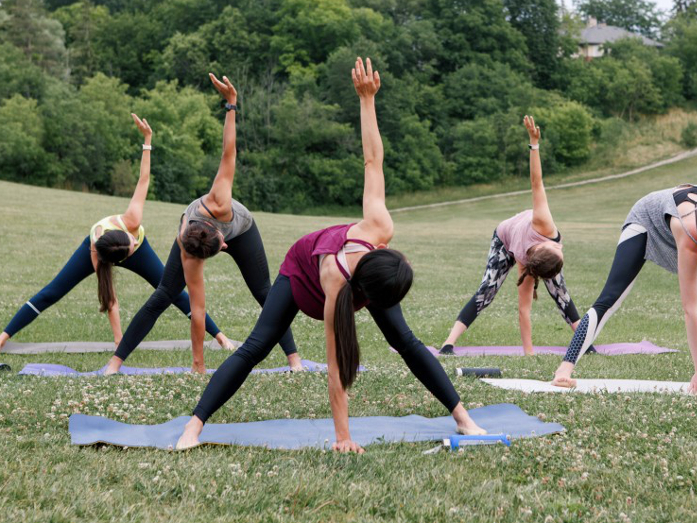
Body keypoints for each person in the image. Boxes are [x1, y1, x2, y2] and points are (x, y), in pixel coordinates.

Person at [175, 58, 487, 451]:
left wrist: (367, 100)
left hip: (358, 274)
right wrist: (343, 439)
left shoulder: (379, 228)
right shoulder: (336, 283)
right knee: (256, 347)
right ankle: (194, 425)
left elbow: (373, 160)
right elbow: (336, 368)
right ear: (366, 293)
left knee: (406, 340)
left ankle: (463, 418)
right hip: (301, 277)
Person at [552, 57, 697, 394]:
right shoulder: (690, 239)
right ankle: (565, 366)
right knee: (612, 297)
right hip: (645, 221)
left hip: (693, 224)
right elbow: (688, 310)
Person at [102, 74, 302, 374]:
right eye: (221, 248)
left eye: (221, 244)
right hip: (198, 239)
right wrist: (198, 365)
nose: (225, 247)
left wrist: (231, 105)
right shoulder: (189, 249)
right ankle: (115, 362)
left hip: (243, 228)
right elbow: (197, 311)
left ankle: (294, 360)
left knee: (265, 291)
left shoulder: (219, 201)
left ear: (218, 234)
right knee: (165, 293)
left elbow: (228, 152)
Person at [0, 115, 235, 353]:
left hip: (140, 248)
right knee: (53, 291)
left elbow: (143, 180)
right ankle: (1, 339)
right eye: (126, 252)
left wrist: (147, 141)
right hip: (100, 248)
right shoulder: (96, 251)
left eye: (129, 243)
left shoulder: (131, 222)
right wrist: (119, 342)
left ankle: (220, 337)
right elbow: (110, 299)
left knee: (170, 291)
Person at [439, 115, 584, 356]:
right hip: (504, 238)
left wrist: (535, 142)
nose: (562, 248)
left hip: (525, 239)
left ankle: (584, 343)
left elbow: (537, 185)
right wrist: (533, 144)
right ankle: (448, 342)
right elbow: (523, 308)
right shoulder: (534, 242)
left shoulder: (541, 237)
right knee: (488, 289)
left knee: (560, 291)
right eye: (560, 251)